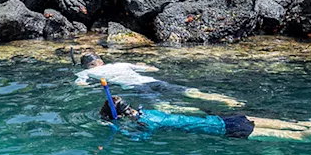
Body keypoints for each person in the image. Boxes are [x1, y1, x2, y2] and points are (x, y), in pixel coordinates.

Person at [99, 95, 311, 141]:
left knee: (303, 136)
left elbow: (142, 137)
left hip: (229, 129)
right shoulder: (149, 112)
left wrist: (116, 130)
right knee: (295, 126)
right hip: (234, 117)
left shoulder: (146, 123)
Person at [74, 52, 244, 108]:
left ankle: (196, 112)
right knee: (188, 92)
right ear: (101, 61)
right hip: (149, 80)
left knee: (162, 105)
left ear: (88, 66)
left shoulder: (88, 73)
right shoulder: (120, 63)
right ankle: (226, 100)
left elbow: (80, 86)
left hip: (135, 87)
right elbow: (151, 69)